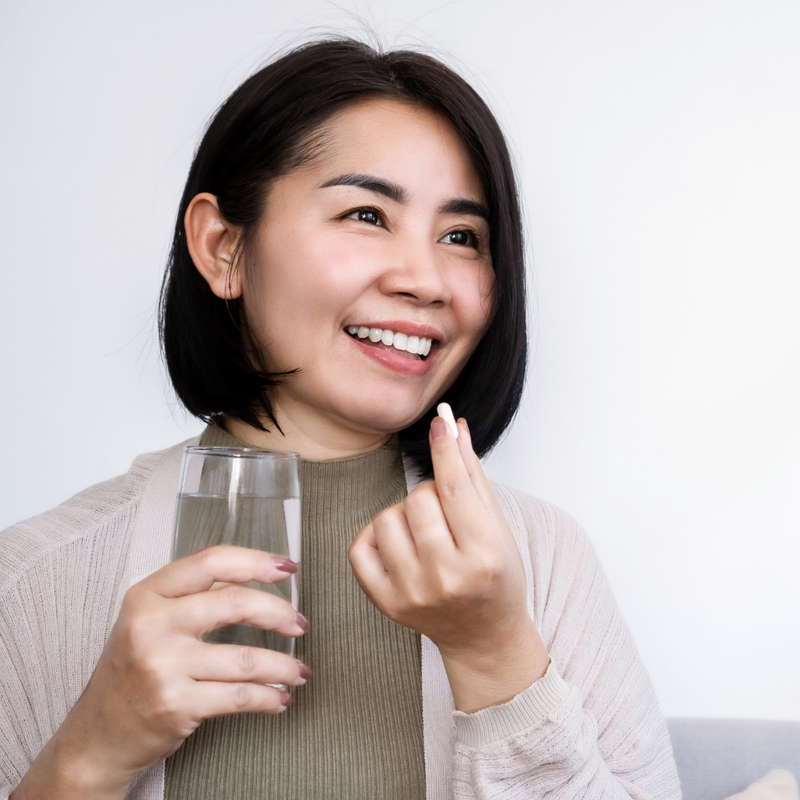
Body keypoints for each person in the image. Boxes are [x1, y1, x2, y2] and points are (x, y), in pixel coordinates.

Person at [0, 38, 681, 800]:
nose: (424, 281)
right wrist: (90, 755)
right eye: (366, 214)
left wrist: (497, 658)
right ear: (223, 247)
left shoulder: (546, 564)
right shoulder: (36, 580)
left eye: (462, 237)